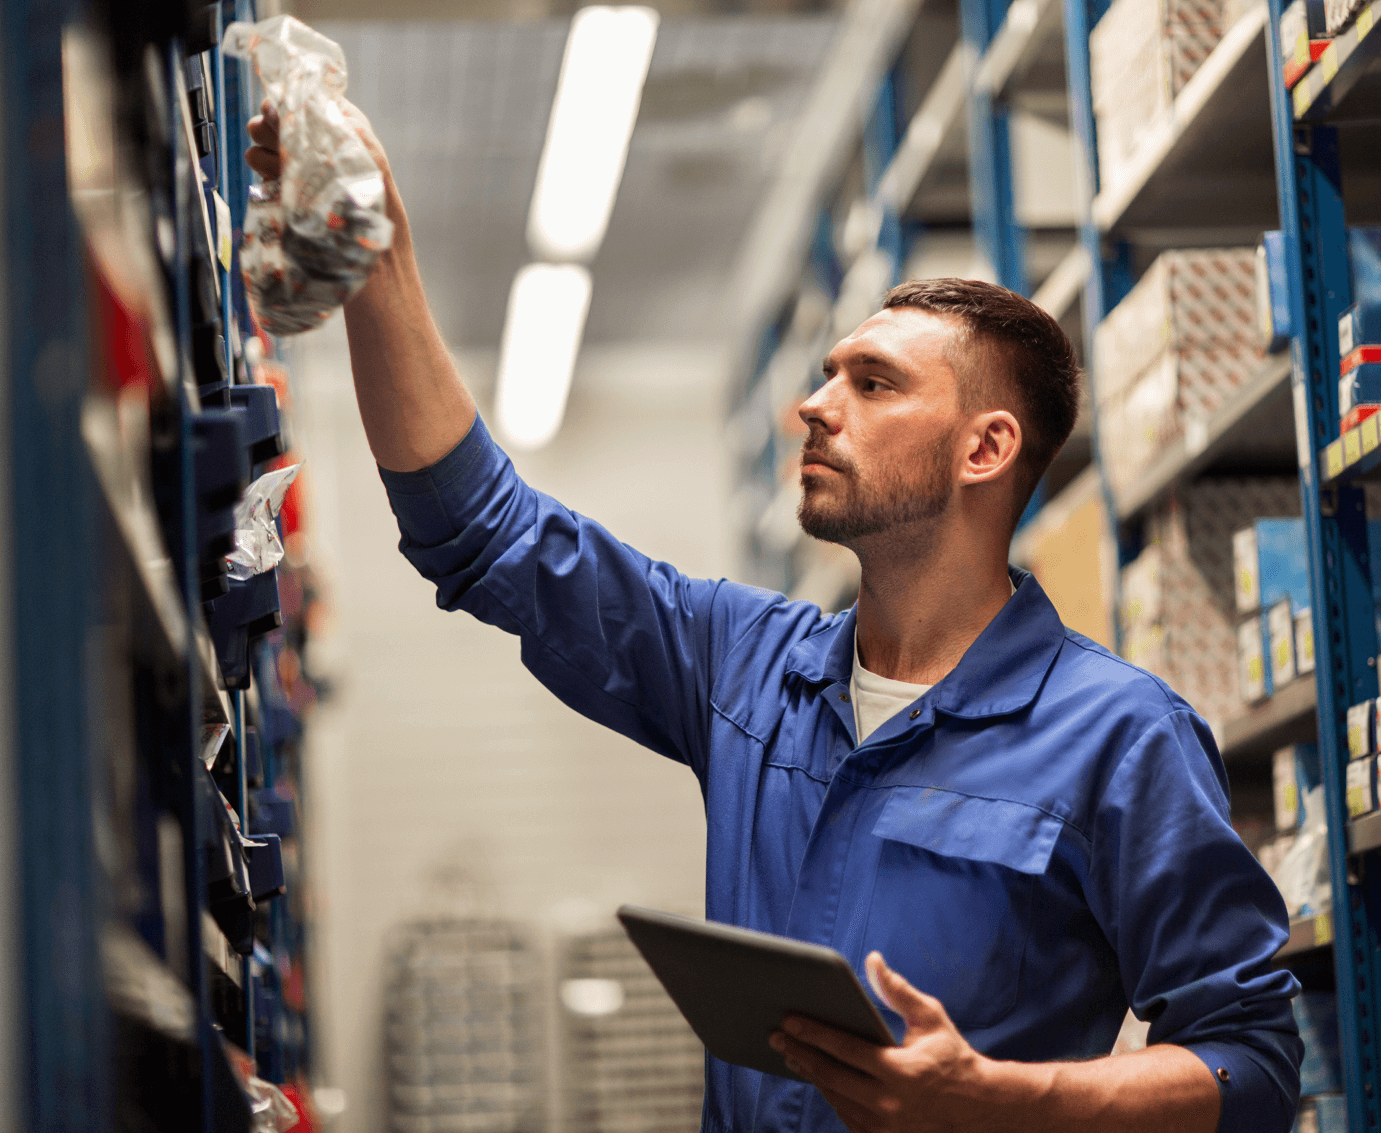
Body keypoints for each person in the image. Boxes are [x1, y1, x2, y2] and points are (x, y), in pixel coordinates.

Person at [247, 93, 1301, 1133]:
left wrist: (991, 1097)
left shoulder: (1117, 735)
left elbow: (1248, 1061)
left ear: (984, 449)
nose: (814, 403)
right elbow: (482, 532)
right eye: (826, 372)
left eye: (874, 383)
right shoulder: (748, 663)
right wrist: (378, 253)